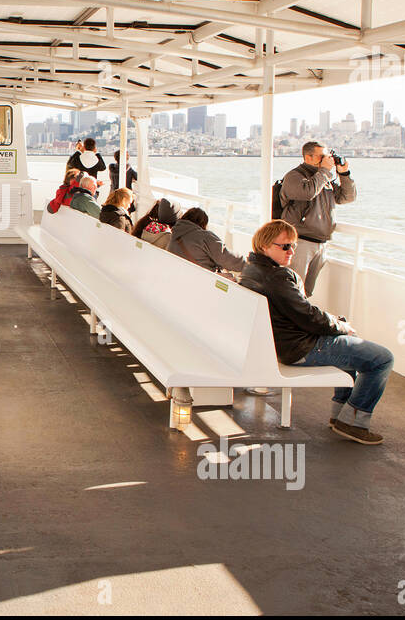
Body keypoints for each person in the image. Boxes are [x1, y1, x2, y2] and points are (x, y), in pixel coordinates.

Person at [240, 219, 393, 445]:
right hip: (300, 348)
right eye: (284, 246)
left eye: (293, 245)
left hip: (280, 344)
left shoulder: (251, 270)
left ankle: (340, 415)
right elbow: (308, 317)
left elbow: (303, 313)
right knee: (381, 358)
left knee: (347, 345)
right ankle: (353, 421)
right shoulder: (276, 277)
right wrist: (341, 325)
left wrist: (335, 324)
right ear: (264, 246)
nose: (291, 251)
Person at [278, 141, 356, 295]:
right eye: (321, 156)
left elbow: (347, 197)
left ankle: (300, 318)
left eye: (326, 156)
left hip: (321, 243)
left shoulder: (323, 178)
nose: (325, 160)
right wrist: (325, 171)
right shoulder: (294, 176)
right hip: (299, 241)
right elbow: (308, 192)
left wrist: (344, 174)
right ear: (308, 157)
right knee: (292, 290)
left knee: (306, 291)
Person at [166, 207, 246, 276]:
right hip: (201, 281)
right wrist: (248, 265)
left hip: (178, 276)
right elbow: (228, 259)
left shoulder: (174, 236)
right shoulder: (203, 236)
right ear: (203, 223)